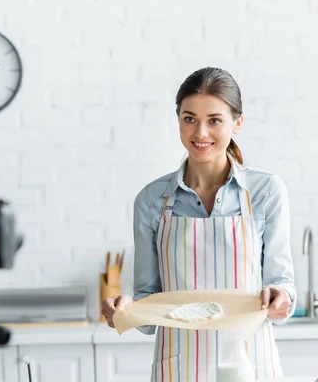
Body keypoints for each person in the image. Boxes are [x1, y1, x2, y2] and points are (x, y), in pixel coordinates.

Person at [101, 67, 296, 381]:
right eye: (189, 119)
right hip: (179, 367)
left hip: (250, 364)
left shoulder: (266, 191)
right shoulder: (151, 200)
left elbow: (282, 285)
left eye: (214, 120)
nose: (200, 133)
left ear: (237, 122)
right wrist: (126, 308)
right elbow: (150, 309)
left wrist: (281, 298)